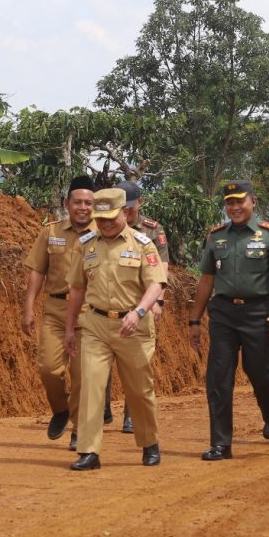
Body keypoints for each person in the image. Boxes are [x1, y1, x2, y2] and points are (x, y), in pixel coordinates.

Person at [63, 187, 167, 470]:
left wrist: (139, 311)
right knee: (91, 387)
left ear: (125, 212)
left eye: (111, 217)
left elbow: (156, 284)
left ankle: (149, 442)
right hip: (95, 325)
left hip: (133, 327)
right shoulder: (87, 244)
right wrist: (70, 329)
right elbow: (76, 289)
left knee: (139, 390)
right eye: (101, 218)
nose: (106, 223)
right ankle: (89, 451)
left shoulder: (143, 244)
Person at [187, 180, 269, 460]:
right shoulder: (216, 236)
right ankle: (221, 444)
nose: (234, 207)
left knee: (260, 374)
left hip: (258, 312)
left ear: (252, 201)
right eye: (229, 203)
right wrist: (194, 320)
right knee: (218, 379)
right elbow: (207, 279)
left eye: (239, 201)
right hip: (222, 314)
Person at [21, 175, 95, 451]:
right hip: (54, 311)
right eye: (78, 202)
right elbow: (37, 270)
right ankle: (61, 409)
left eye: (89, 202)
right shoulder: (50, 232)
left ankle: (79, 429)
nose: (83, 207)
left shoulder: (104, 234)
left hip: (88, 314)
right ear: (68, 203)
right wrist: (28, 307)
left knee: (83, 376)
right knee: (49, 369)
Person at [105, 179, 170, 435]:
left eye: (130, 206)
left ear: (139, 203)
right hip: (110, 303)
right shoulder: (104, 226)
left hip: (141, 305)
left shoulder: (152, 229)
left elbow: (162, 266)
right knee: (103, 358)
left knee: (137, 364)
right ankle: (103, 409)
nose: (127, 211)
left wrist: (158, 301)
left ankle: (131, 414)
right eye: (123, 206)